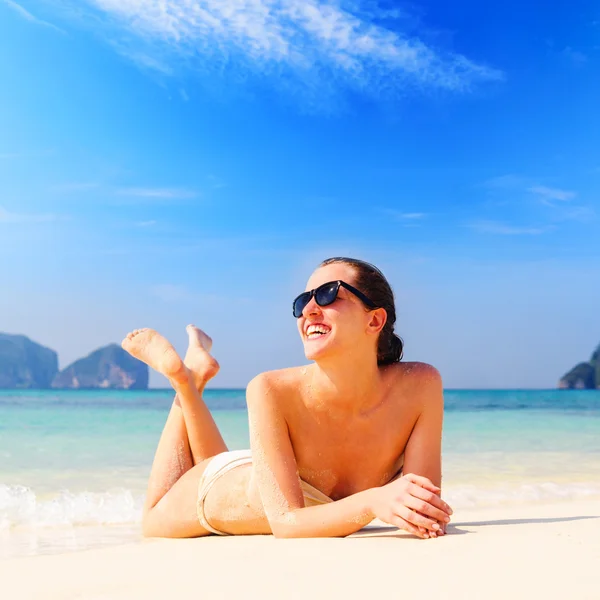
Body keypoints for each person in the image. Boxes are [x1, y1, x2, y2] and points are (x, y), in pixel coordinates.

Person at [122, 257, 452, 539]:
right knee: (152, 523)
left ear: (374, 320)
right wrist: (373, 501)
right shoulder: (270, 388)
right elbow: (285, 522)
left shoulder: (420, 385)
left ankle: (195, 374)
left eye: (327, 294)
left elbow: (424, 508)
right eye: (302, 301)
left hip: (257, 478)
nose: (308, 309)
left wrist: (406, 508)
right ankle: (183, 381)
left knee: (230, 467)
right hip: (217, 490)